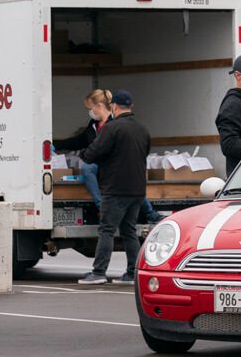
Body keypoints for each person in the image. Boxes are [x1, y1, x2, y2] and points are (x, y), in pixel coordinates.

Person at [54, 89, 162, 224]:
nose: (90, 112)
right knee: (88, 169)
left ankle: (150, 212)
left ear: (99, 106)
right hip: (100, 162)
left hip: (114, 163)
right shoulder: (93, 125)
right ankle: (101, 206)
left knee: (130, 178)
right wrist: (57, 146)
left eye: (90, 108)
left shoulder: (116, 123)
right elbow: (80, 140)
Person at [77, 90, 150, 285]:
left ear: (114, 107)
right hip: (137, 190)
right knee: (129, 231)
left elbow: (93, 152)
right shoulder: (142, 129)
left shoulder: (112, 128)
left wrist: (83, 154)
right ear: (130, 106)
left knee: (107, 230)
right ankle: (132, 272)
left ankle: (99, 272)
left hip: (115, 189)